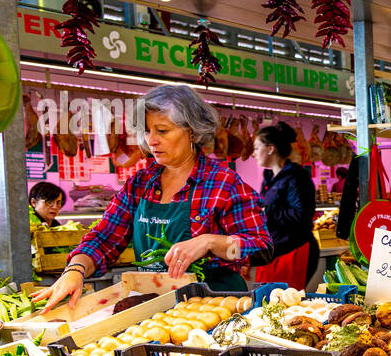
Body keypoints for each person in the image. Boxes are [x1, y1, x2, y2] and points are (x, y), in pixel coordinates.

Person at [36, 84, 271, 310]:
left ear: (192, 131)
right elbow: (105, 237)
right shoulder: (139, 185)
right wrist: (75, 270)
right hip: (156, 307)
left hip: (217, 307)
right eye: (147, 131)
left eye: (162, 131)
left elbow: (260, 249)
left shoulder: (223, 184)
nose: (151, 140)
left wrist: (211, 242)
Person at [251, 122, 318, 290]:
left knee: (285, 306)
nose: (253, 154)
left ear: (270, 148)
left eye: (257, 147)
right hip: (274, 251)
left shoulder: (296, 177)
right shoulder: (269, 176)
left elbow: (301, 215)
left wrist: (269, 211)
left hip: (293, 251)